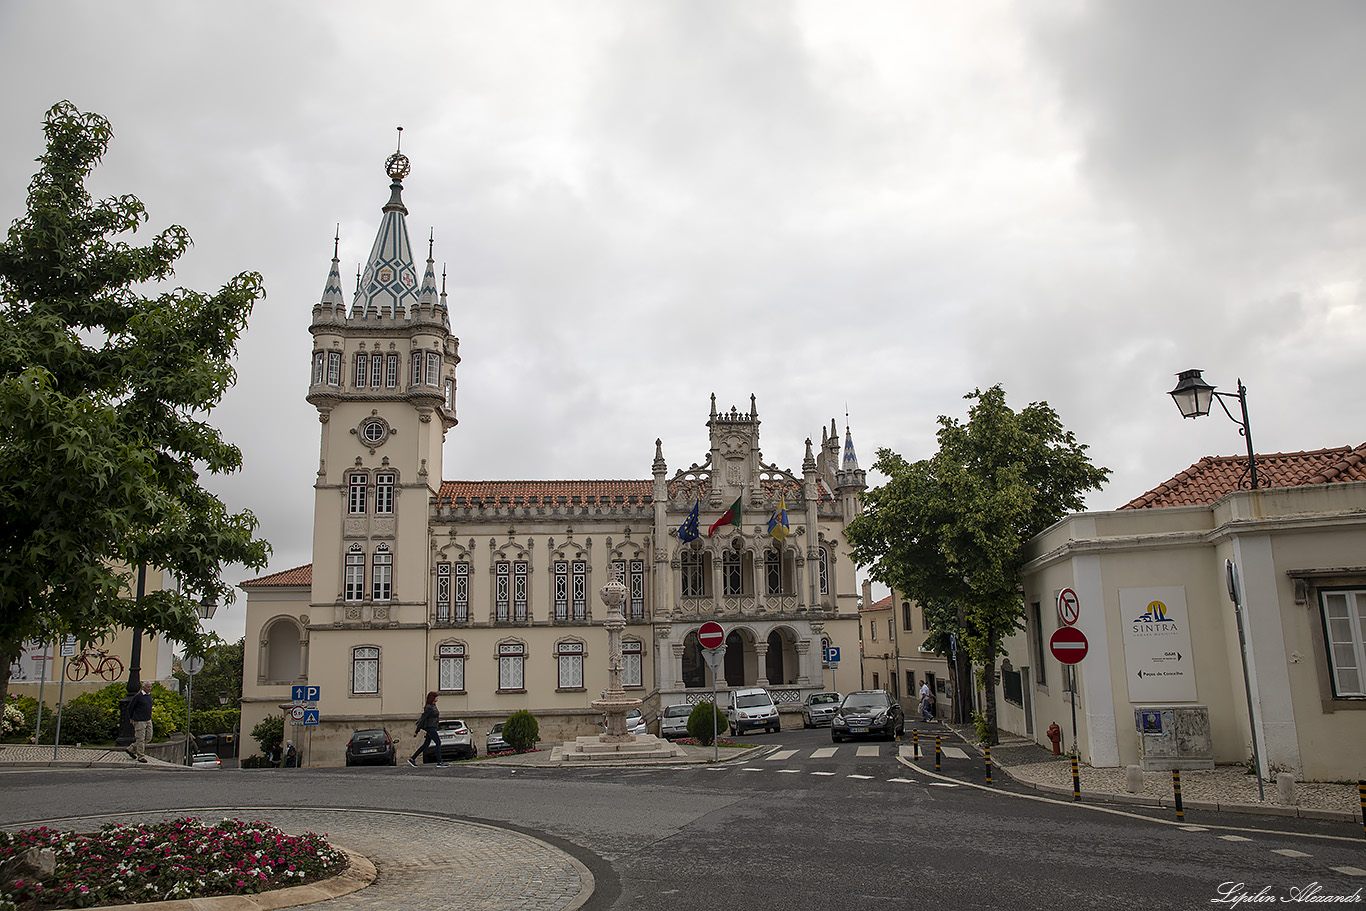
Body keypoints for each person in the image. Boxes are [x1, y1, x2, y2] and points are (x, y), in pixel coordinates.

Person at [408, 691, 446, 767]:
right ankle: (439, 761)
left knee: (426, 745)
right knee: (438, 742)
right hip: (430, 727)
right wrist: (417, 731)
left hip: (432, 727)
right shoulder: (429, 707)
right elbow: (423, 719)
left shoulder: (433, 706)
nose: (437, 698)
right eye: (436, 697)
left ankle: (412, 758)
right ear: (433, 698)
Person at [126, 680, 154, 763]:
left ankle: (131, 748)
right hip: (139, 720)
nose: (149, 688)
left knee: (148, 737)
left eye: (150, 687)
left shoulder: (149, 696)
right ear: (143, 687)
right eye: (148, 687)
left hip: (147, 719)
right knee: (140, 738)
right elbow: (130, 707)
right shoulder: (138, 696)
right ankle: (141, 756)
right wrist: (131, 718)